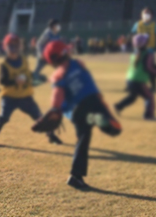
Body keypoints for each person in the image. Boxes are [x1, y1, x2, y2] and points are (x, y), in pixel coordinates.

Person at [43, 40, 122, 190]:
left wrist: (55, 110)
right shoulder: (75, 65)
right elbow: (86, 84)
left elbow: (58, 97)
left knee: (84, 139)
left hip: (77, 111)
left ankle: (76, 177)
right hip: (91, 101)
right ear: (63, 54)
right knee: (113, 129)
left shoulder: (59, 74)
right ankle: (100, 120)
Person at [0, 34, 61, 147]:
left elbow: (28, 75)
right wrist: (15, 81)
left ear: (20, 47)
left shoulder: (23, 60)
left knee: (39, 117)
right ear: (5, 47)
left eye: (16, 46)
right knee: (3, 117)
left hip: (26, 97)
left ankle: (51, 136)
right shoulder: (4, 65)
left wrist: (37, 78)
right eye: (10, 46)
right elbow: (3, 81)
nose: (13, 49)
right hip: (9, 97)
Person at [114, 34, 156, 120]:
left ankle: (119, 106)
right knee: (149, 96)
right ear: (145, 43)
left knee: (133, 97)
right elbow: (148, 67)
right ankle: (148, 115)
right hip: (138, 80)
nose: (148, 42)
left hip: (129, 79)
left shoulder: (134, 53)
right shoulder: (147, 53)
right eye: (146, 41)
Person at [131, 7, 156, 92]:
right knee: (136, 68)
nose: (146, 15)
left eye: (148, 13)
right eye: (144, 13)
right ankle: (133, 85)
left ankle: (154, 86)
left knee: (149, 68)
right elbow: (132, 36)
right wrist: (133, 47)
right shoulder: (137, 25)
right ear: (141, 15)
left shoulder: (155, 26)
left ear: (151, 15)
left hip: (149, 50)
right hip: (138, 50)